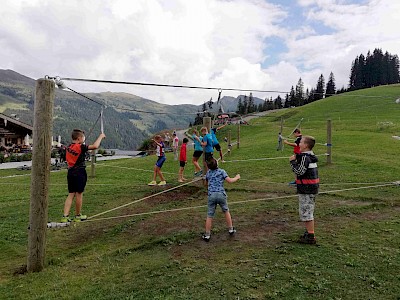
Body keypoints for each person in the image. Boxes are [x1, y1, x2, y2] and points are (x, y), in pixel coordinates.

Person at [61, 129, 106, 223]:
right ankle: (78, 215)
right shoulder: (80, 147)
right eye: (83, 138)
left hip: (70, 172)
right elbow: (95, 146)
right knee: (79, 194)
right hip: (79, 172)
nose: (84, 139)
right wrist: (101, 136)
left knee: (71, 194)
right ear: (79, 138)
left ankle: (65, 216)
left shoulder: (69, 146)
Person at [289, 135, 319, 244]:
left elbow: (299, 171)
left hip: (307, 189)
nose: (298, 144)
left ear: (306, 145)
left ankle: (311, 237)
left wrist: (292, 162)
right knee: (306, 211)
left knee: (307, 212)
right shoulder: (309, 156)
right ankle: (309, 232)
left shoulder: (305, 157)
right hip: (309, 188)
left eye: (300, 142)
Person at [202, 158, 240, 242]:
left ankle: (207, 235)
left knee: (209, 215)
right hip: (221, 195)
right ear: (217, 164)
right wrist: (237, 177)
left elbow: (206, 184)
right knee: (226, 211)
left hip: (211, 195)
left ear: (208, 167)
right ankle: (231, 229)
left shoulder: (208, 173)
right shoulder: (222, 171)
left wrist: (205, 179)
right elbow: (229, 180)